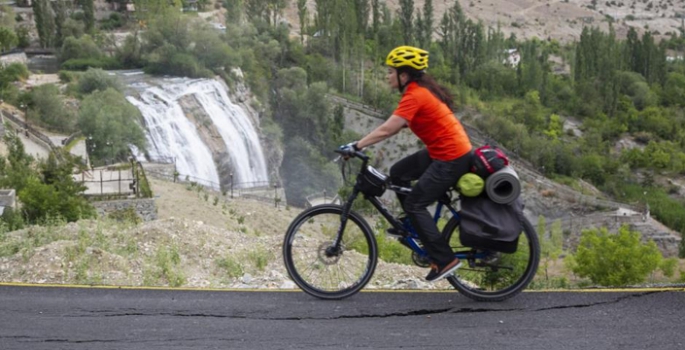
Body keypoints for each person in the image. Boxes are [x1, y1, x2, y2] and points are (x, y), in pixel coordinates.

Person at [339, 46, 473, 282]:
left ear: (404, 74)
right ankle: (413, 226)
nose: (388, 76)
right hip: (443, 151)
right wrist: (359, 142)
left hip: (451, 157)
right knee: (398, 172)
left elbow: (389, 128)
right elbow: (400, 123)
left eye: (391, 72)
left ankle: (445, 260)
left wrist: (358, 146)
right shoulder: (417, 91)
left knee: (415, 203)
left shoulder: (416, 94)